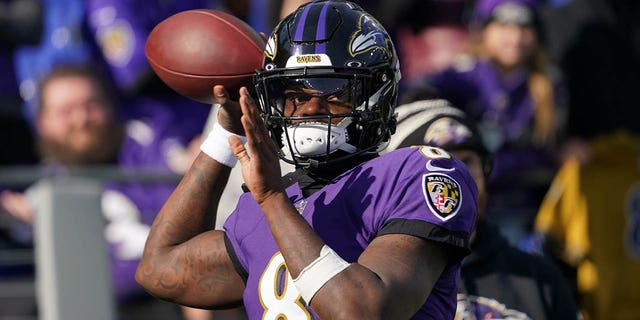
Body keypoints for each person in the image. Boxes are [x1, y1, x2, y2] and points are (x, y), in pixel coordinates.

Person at [135, 1, 478, 319]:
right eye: (295, 95)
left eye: (335, 93)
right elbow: (158, 268)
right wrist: (226, 134)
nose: (311, 110)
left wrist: (272, 200)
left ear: (375, 96)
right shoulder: (261, 209)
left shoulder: (416, 173)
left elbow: (359, 312)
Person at [0, 64, 203, 318]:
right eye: (65, 112)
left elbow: (183, 168)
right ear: (41, 123)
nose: (81, 119)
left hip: (172, 297)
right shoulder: (42, 188)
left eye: (91, 105)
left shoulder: (145, 143)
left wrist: (198, 161)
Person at [386, 98, 580, 320]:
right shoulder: (380, 284)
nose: (457, 180)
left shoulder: (540, 279)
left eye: (468, 162)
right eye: (438, 168)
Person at [411, 0, 568, 247]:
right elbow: (415, 98)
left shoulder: (547, 86)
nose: (515, 37)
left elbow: (548, 152)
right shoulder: (459, 78)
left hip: (521, 209)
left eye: (525, 27)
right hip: (461, 202)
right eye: (503, 25)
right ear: (483, 30)